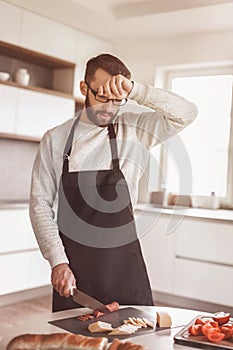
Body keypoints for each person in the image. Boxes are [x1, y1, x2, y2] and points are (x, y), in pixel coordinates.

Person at [30, 53, 198, 312]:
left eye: (118, 99)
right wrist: (58, 262)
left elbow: (187, 113)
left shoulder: (135, 131)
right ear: (84, 88)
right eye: (101, 96)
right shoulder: (55, 139)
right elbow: (40, 205)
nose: (109, 107)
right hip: (75, 272)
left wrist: (136, 90)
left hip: (125, 270)